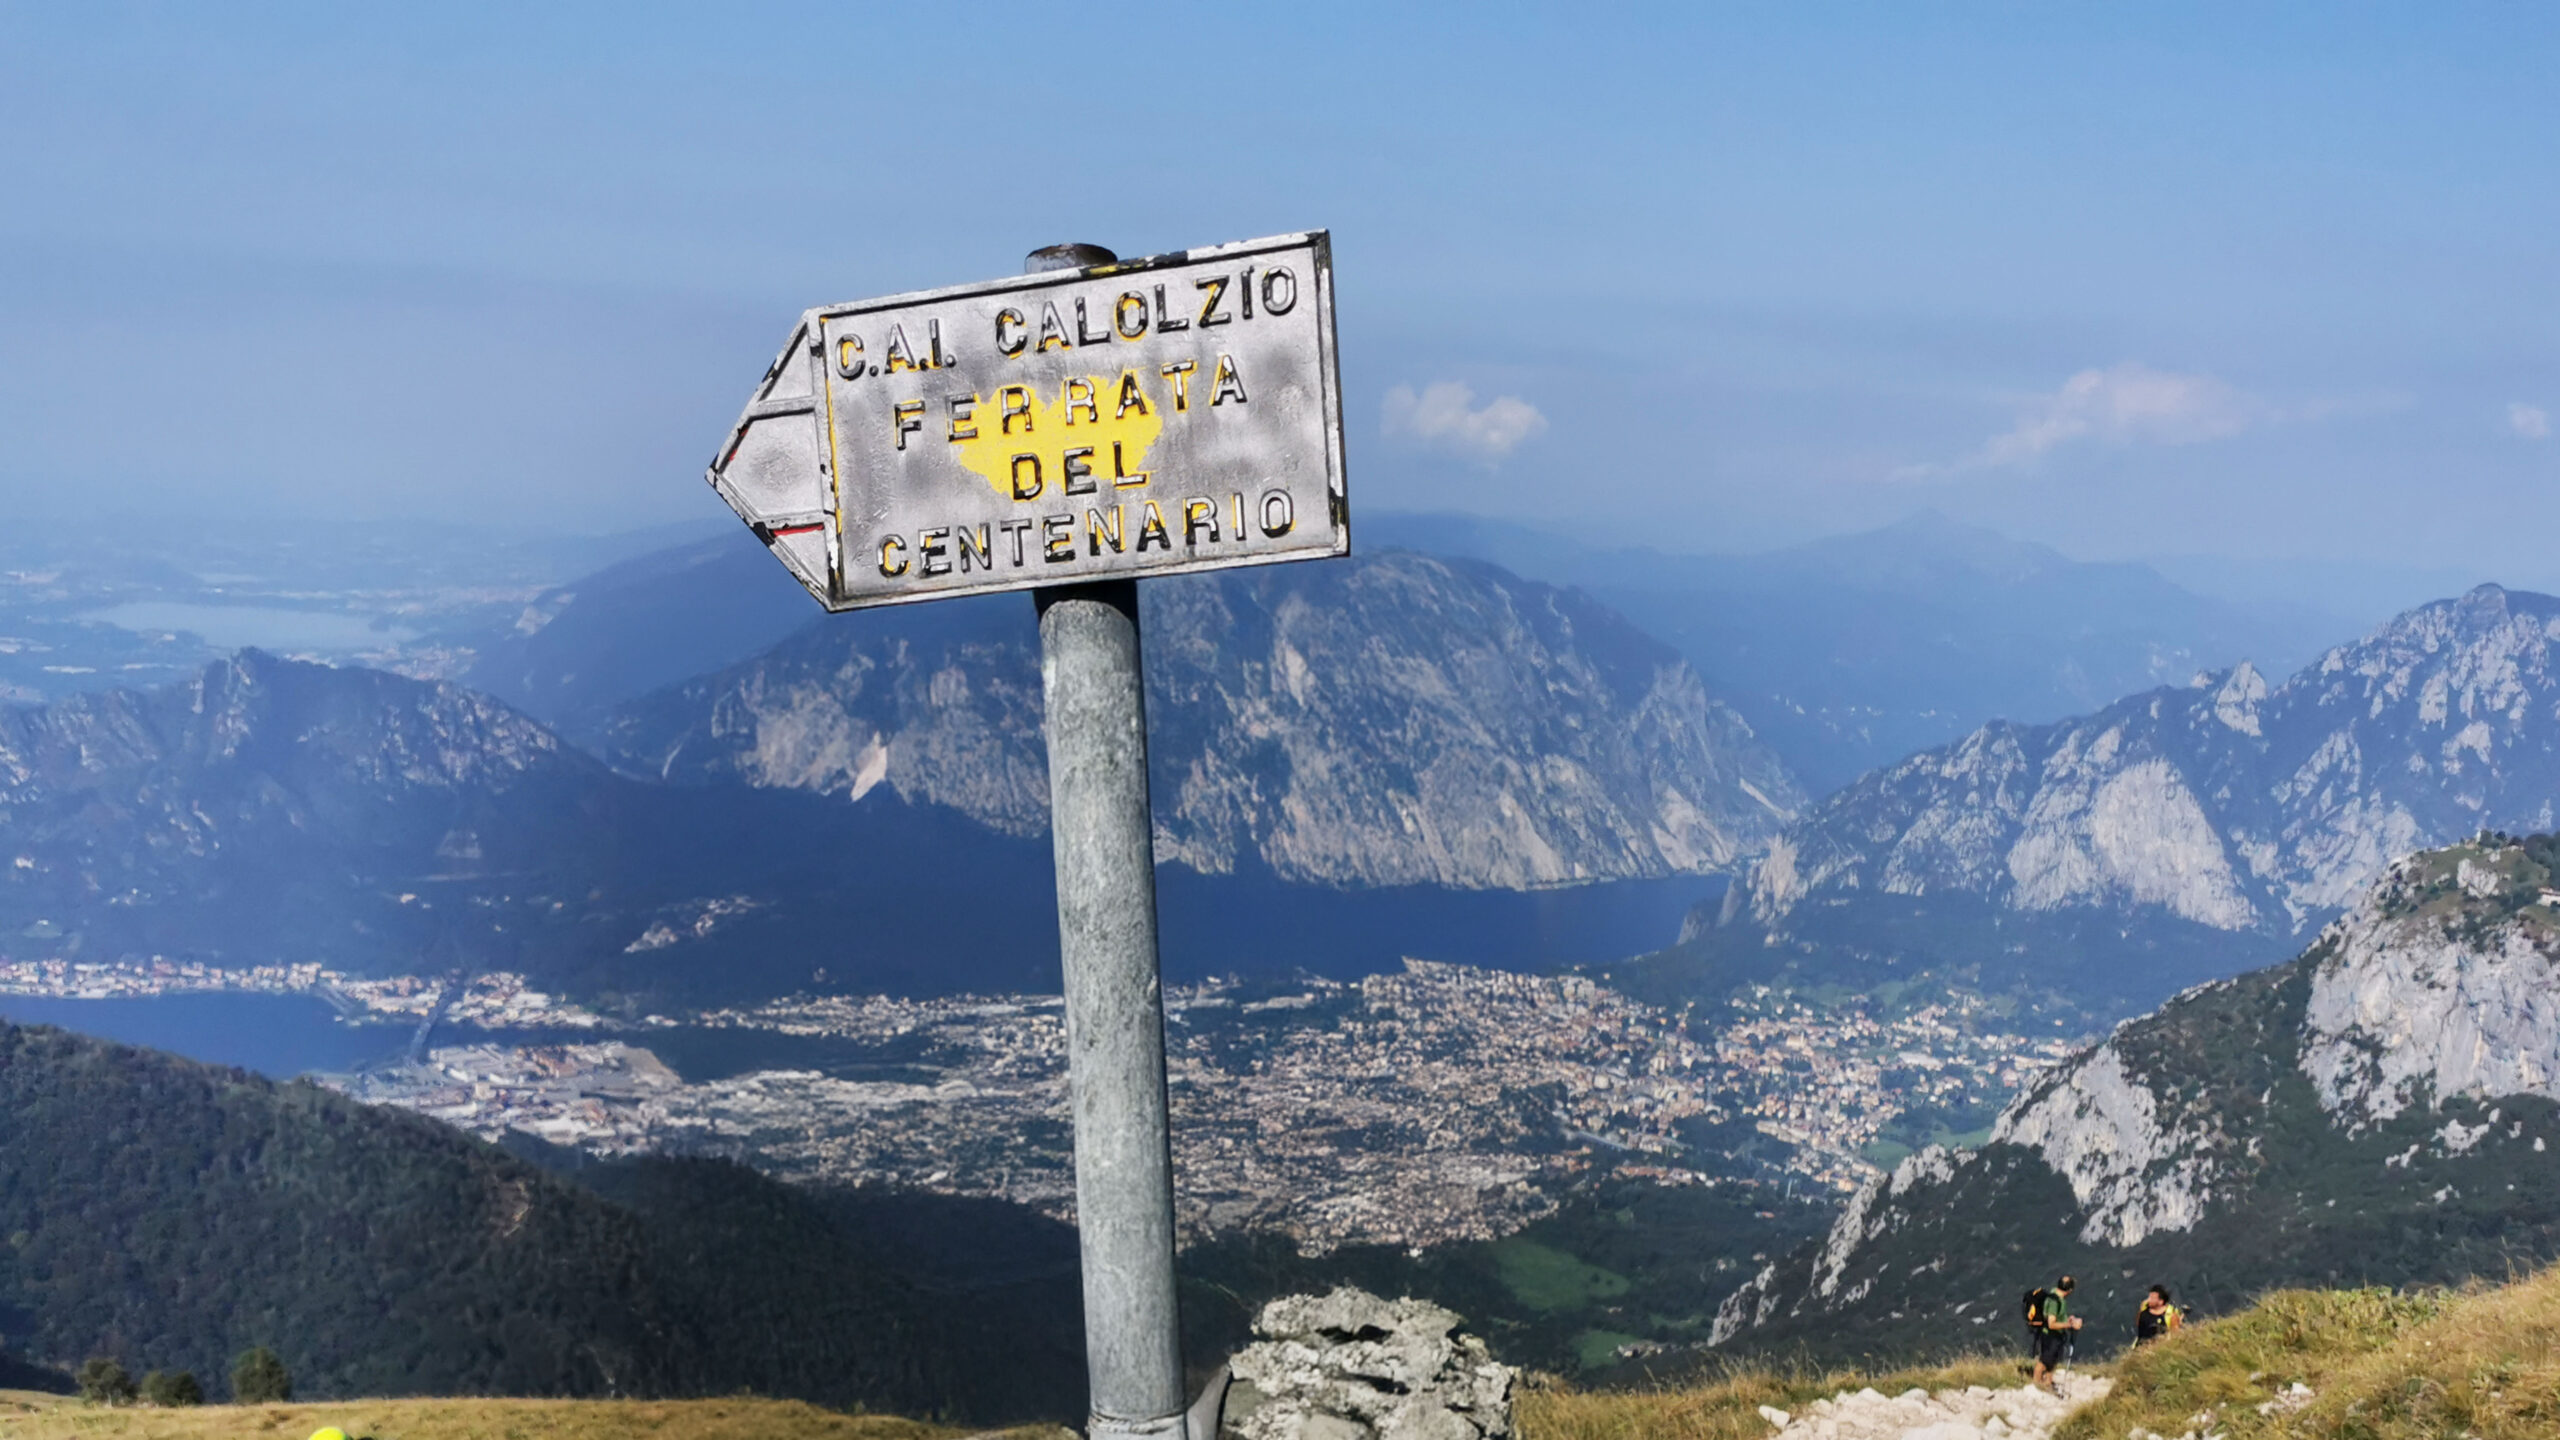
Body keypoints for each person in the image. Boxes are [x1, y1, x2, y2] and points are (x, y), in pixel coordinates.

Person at [2031, 1274, 2080, 1393]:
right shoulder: (2054, 1301)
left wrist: (2067, 1320)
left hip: (2057, 1336)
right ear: (2069, 1290)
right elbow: (2051, 1324)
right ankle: (2036, 1386)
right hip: (2050, 1336)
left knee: (2051, 1363)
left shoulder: (2058, 1298)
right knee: (2043, 1362)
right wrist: (2069, 1325)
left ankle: (2047, 1384)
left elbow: (2058, 1318)